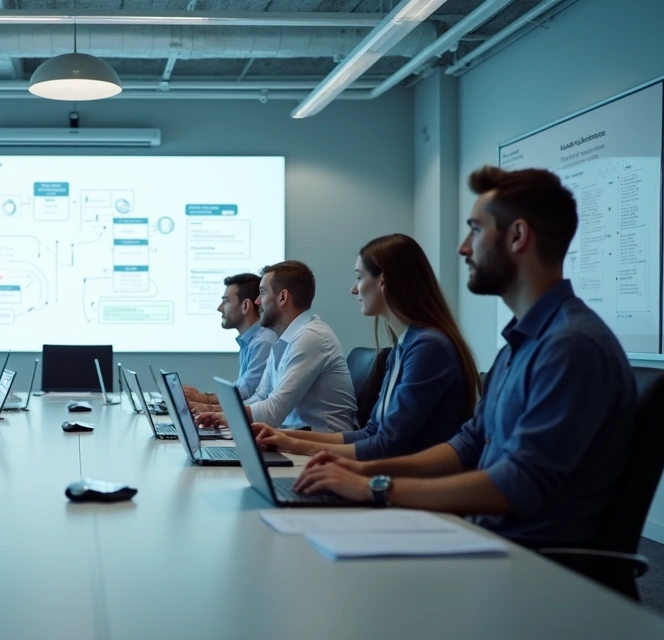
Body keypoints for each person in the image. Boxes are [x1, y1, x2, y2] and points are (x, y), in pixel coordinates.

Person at [294, 166, 637, 548]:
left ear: (518, 236)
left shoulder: (571, 346)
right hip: (484, 538)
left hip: (528, 563)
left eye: (475, 229)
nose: (463, 247)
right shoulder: (520, 344)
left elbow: (516, 485)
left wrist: (375, 486)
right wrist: (360, 471)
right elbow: (468, 445)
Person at [254, 234, 480, 460]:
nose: (354, 289)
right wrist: (284, 438)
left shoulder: (428, 348)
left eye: (359, 277)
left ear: (384, 281)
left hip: (412, 486)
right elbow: (371, 433)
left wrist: (294, 445)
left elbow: (385, 446)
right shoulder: (404, 347)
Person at [193, 260, 357, 433]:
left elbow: (273, 411)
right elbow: (261, 397)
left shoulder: (311, 337)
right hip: (295, 439)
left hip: (321, 449)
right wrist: (217, 412)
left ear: (283, 297)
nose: (257, 301)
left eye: (262, 293)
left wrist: (225, 415)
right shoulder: (285, 338)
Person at [183, 272, 279, 403]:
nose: (219, 308)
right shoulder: (251, 340)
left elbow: (246, 392)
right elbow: (241, 389)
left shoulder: (264, 341)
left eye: (226, 301)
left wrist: (204, 399)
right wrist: (203, 398)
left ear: (245, 306)